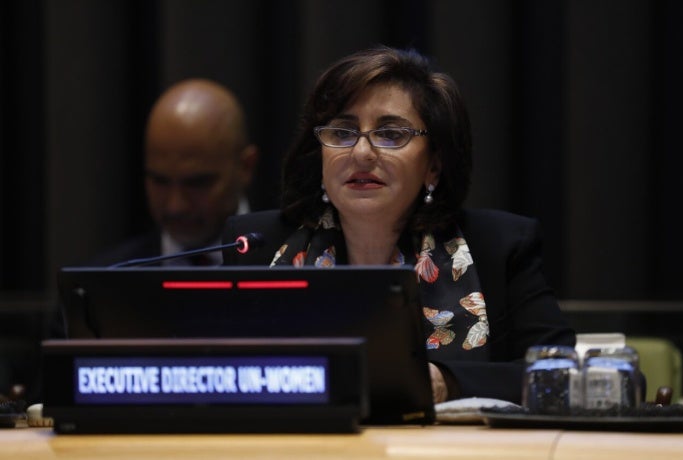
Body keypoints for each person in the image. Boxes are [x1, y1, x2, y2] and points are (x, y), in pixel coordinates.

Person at [223, 46, 576, 405]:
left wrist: (444, 382)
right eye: (343, 132)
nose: (361, 153)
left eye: (391, 134)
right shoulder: (256, 245)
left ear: (433, 165)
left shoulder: (499, 248)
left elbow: (561, 374)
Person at [92, 78, 259, 266]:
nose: (176, 206)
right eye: (159, 181)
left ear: (246, 167)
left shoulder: (292, 267)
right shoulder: (107, 279)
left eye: (197, 183)